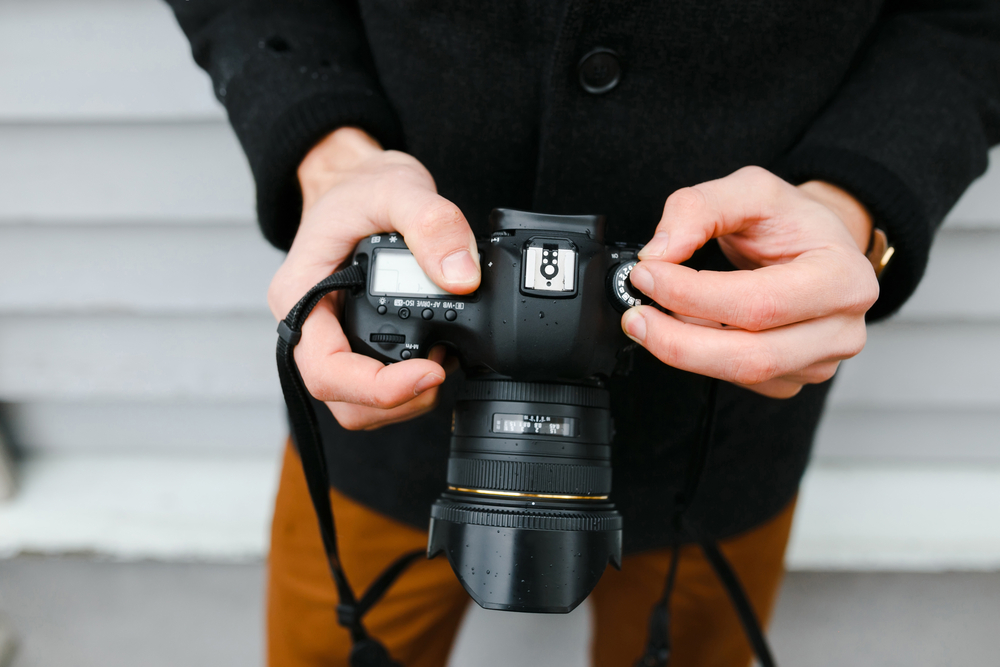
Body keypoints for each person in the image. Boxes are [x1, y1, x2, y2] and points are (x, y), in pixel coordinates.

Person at [167, 2, 1000, 665]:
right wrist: (330, 156)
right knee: (331, 642)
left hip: (730, 396)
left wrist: (852, 212)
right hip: (381, 402)